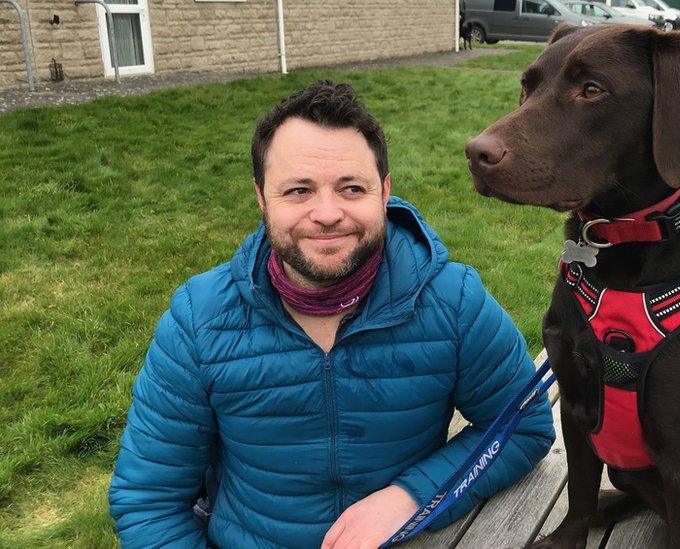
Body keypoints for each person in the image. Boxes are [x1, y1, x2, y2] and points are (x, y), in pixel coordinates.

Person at [108, 80, 555, 548]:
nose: (327, 213)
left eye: (351, 188)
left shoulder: (453, 300)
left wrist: (409, 496)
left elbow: (522, 425)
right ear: (262, 198)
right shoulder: (199, 319)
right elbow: (149, 499)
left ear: (383, 193)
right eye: (299, 190)